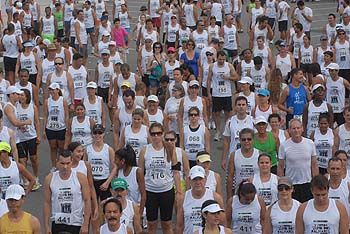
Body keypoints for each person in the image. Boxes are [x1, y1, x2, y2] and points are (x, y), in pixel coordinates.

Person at [138, 122, 181, 234]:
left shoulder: (170, 148)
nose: (156, 136)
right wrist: (141, 190)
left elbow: (176, 171)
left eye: (158, 133)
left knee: (166, 223)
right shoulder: (145, 150)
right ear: (150, 135)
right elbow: (140, 172)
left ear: (162, 134)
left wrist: (179, 191)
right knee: (151, 224)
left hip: (166, 190)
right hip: (150, 191)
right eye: (153, 134)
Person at [43, 149, 91, 234]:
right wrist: (46, 226)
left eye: (68, 163)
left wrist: (86, 224)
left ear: (72, 162)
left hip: (76, 222)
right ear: (57, 162)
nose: (65, 166)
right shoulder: (49, 178)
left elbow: (87, 200)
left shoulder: (81, 178)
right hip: (58, 221)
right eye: (62, 163)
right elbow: (47, 202)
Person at [278, 118, 319, 203]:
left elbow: (314, 164)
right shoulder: (284, 145)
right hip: (291, 185)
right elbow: (281, 167)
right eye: (293, 128)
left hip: (307, 183)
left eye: (298, 128)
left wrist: (315, 182)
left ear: (302, 129)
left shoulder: (310, 143)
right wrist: (282, 184)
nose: (296, 130)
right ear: (289, 130)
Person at [176, 165, 225, 234]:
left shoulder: (216, 197)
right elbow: (179, 225)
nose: (198, 182)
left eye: (200, 179)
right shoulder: (183, 198)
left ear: (205, 179)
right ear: (189, 180)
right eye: (195, 179)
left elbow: (222, 223)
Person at [207, 51, 238, 141]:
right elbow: (209, 79)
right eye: (220, 59)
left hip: (226, 93)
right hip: (216, 93)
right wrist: (209, 93)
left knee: (228, 113)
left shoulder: (229, 66)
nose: (222, 61)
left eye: (223, 59)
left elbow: (236, 77)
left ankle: (227, 131)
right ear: (217, 58)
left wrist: (228, 77)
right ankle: (218, 132)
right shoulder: (212, 66)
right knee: (216, 113)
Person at [16, 88, 41, 191]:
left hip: (31, 136)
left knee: (33, 158)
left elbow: (36, 122)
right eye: (20, 95)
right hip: (20, 137)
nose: (21, 97)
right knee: (23, 159)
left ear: (27, 97)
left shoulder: (32, 107)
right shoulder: (16, 107)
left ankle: (35, 176)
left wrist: (38, 135)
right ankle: (26, 179)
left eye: (23, 95)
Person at [86, 124, 116, 203]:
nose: (97, 135)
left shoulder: (109, 149)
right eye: (95, 133)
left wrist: (108, 182)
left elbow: (115, 167)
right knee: (92, 205)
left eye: (100, 133)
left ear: (103, 134)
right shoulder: (87, 149)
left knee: (105, 207)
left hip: (104, 181)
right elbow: (84, 166)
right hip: (91, 181)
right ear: (92, 134)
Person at [226, 128, 260, 199]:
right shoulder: (234, 155)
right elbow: (230, 177)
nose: (246, 141)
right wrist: (229, 197)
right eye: (243, 139)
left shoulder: (259, 154)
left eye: (249, 139)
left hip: (257, 192)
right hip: (240, 193)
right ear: (240, 140)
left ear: (253, 140)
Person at [222, 96, 254, 169]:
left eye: (243, 105)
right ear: (235, 107)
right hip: (233, 155)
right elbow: (226, 141)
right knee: (231, 178)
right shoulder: (230, 121)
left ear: (246, 106)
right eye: (239, 105)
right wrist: (224, 159)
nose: (241, 107)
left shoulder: (252, 121)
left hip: (249, 156)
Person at [43, 82, 69, 169]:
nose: (51, 91)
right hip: (50, 128)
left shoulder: (63, 100)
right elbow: (46, 116)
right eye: (50, 89)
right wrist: (43, 130)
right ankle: (54, 166)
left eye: (53, 89)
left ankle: (60, 164)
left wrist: (67, 128)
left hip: (61, 127)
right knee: (53, 147)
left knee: (61, 148)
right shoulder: (47, 101)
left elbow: (66, 115)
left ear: (58, 90)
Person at [115, 145, 146, 217]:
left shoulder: (137, 172)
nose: (114, 162)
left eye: (116, 159)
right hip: (123, 209)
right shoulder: (118, 171)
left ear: (122, 161)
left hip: (136, 208)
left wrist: (140, 214)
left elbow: (143, 194)